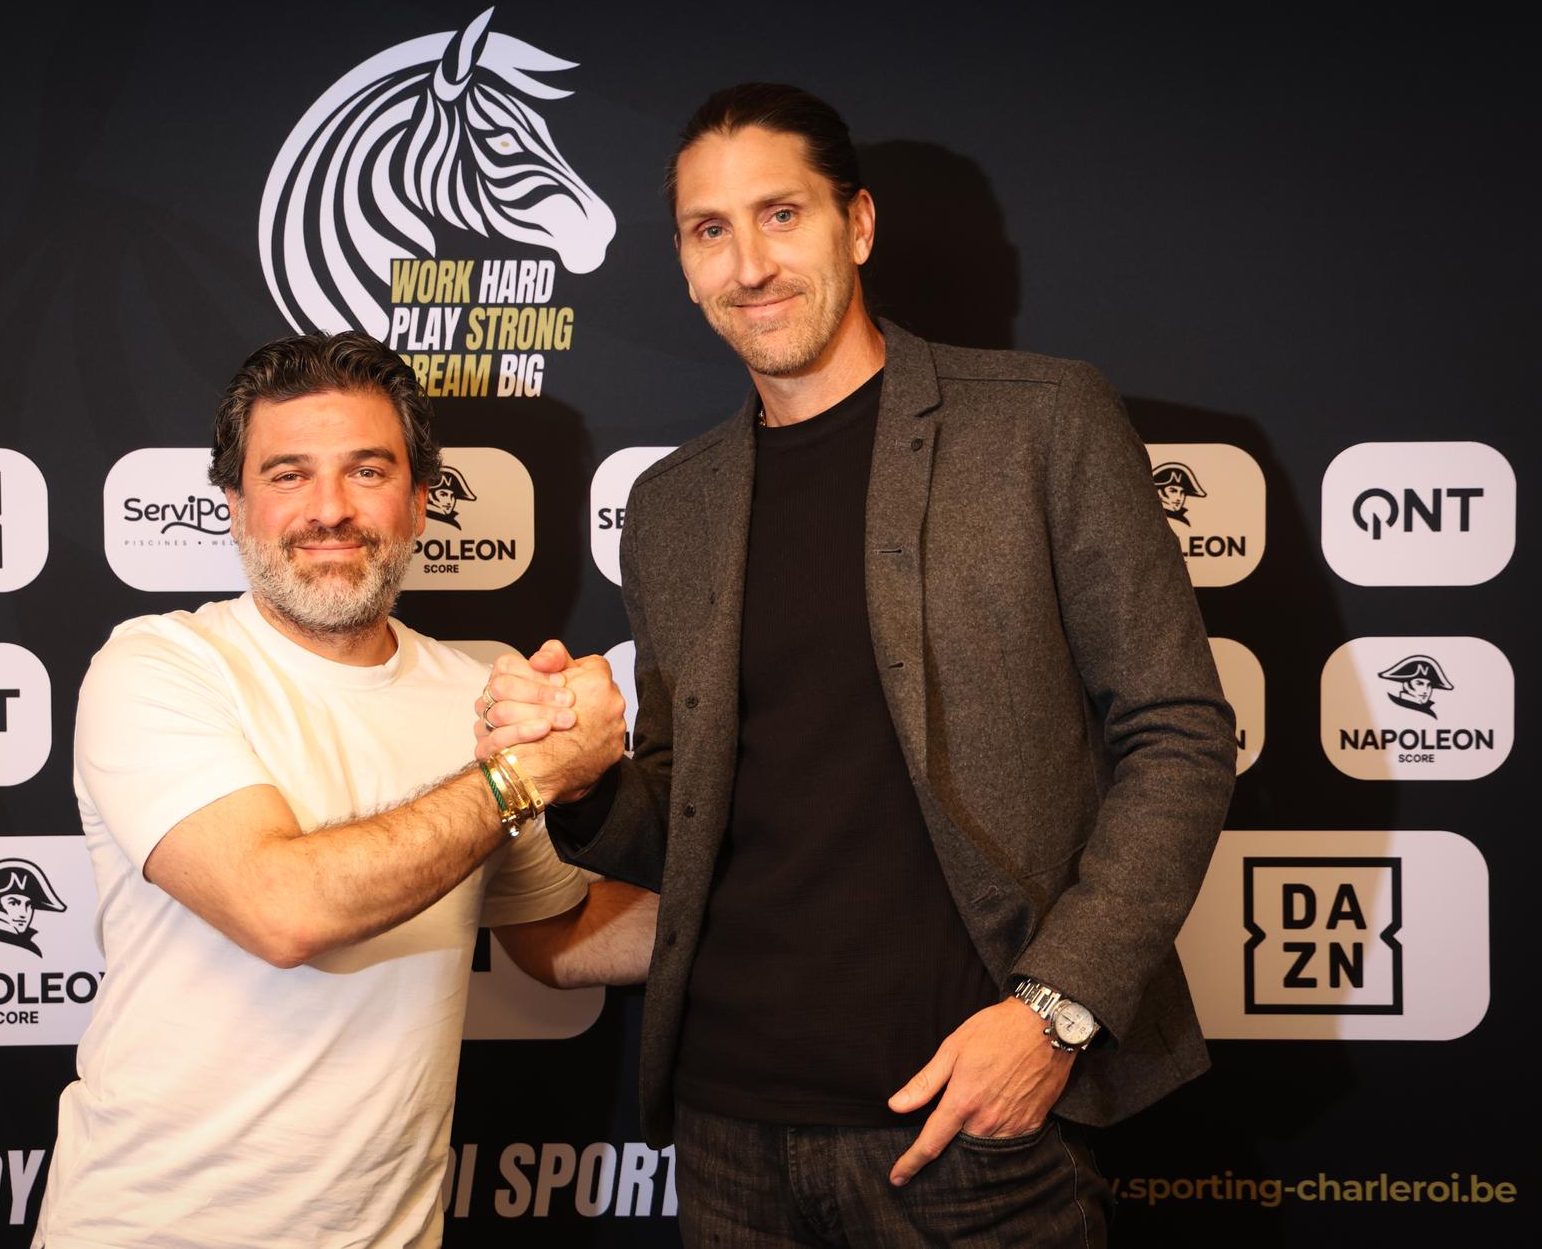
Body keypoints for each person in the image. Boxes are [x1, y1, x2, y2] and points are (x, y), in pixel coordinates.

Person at [477, 84, 1237, 1246]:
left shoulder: (1040, 422)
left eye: (782, 214)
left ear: (860, 225)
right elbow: (691, 812)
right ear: (683, 265)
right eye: (709, 230)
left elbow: (1179, 731)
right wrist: (581, 782)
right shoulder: (673, 505)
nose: (749, 264)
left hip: (966, 1124)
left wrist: (1052, 1012)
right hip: (727, 1129)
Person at [33, 332, 649, 1249]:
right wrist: (528, 776)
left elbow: (554, 940)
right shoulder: (159, 666)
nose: (330, 510)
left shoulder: (480, 689)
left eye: (368, 471)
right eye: (287, 475)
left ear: (421, 501)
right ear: (236, 507)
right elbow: (283, 910)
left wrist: (795, 906)